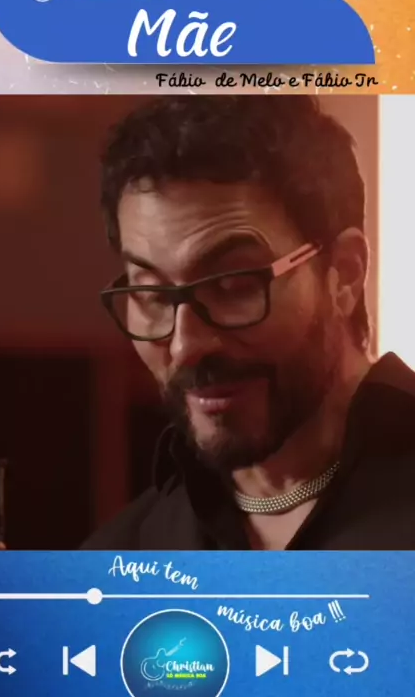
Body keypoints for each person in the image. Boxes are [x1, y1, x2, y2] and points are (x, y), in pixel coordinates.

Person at [82, 95, 415, 551]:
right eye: (154, 295)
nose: (185, 346)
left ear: (345, 273)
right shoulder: (122, 557)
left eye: (234, 285)